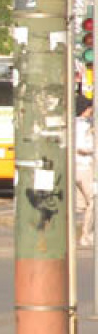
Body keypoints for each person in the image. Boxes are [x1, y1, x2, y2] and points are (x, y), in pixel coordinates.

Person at [76, 97, 95, 248]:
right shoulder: (82, 126)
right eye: (89, 108)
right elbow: (81, 147)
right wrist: (94, 149)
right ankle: (87, 235)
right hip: (84, 168)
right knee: (93, 201)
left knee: (80, 205)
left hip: (76, 168)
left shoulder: (75, 124)